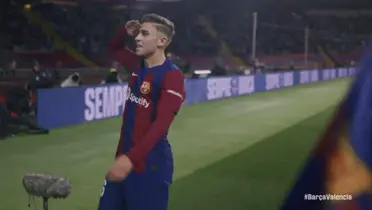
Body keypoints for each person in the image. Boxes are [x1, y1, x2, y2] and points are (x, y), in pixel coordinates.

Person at [98, 14, 186, 210]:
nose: (137, 38)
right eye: (138, 34)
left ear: (162, 41)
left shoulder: (172, 76)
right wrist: (124, 31)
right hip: (123, 162)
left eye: (144, 34)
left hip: (149, 168)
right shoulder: (137, 65)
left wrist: (130, 159)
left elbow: (161, 124)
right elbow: (114, 48)